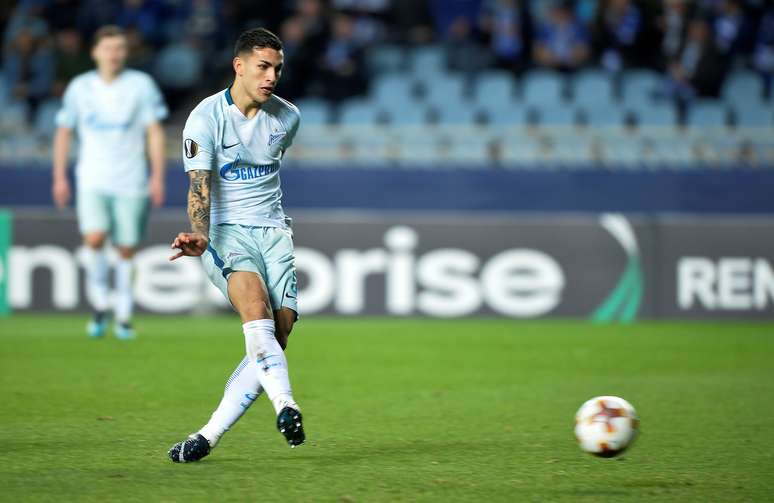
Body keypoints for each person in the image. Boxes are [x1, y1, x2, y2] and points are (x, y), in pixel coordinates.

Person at [166, 27, 305, 463]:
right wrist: (201, 234)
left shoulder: (287, 118)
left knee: (277, 335)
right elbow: (198, 188)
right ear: (239, 66)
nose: (271, 77)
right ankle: (287, 405)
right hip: (226, 233)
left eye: (277, 69)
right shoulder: (205, 119)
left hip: (275, 233)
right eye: (263, 67)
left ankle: (206, 436)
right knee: (256, 310)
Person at [52, 25, 167, 340]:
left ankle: (124, 313)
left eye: (119, 48)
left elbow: (154, 131)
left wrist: (156, 176)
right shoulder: (80, 87)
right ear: (95, 52)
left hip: (131, 178)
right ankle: (102, 303)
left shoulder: (141, 85)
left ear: (125, 53)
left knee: (126, 248)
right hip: (92, 176)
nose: (113, 54)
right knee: (94, 239)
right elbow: (64, 131)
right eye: (108, 48)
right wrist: (59, 176)